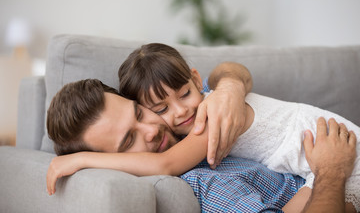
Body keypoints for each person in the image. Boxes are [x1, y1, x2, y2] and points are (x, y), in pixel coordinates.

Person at [45, 79, 356, 212]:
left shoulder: (189, 114)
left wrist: (231, 85)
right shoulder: (200, 183)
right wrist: (332, 171)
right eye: (129, 140)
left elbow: (225, 72)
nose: (152, 129)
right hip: (332, 170)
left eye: (139, 112)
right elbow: (164, 166)